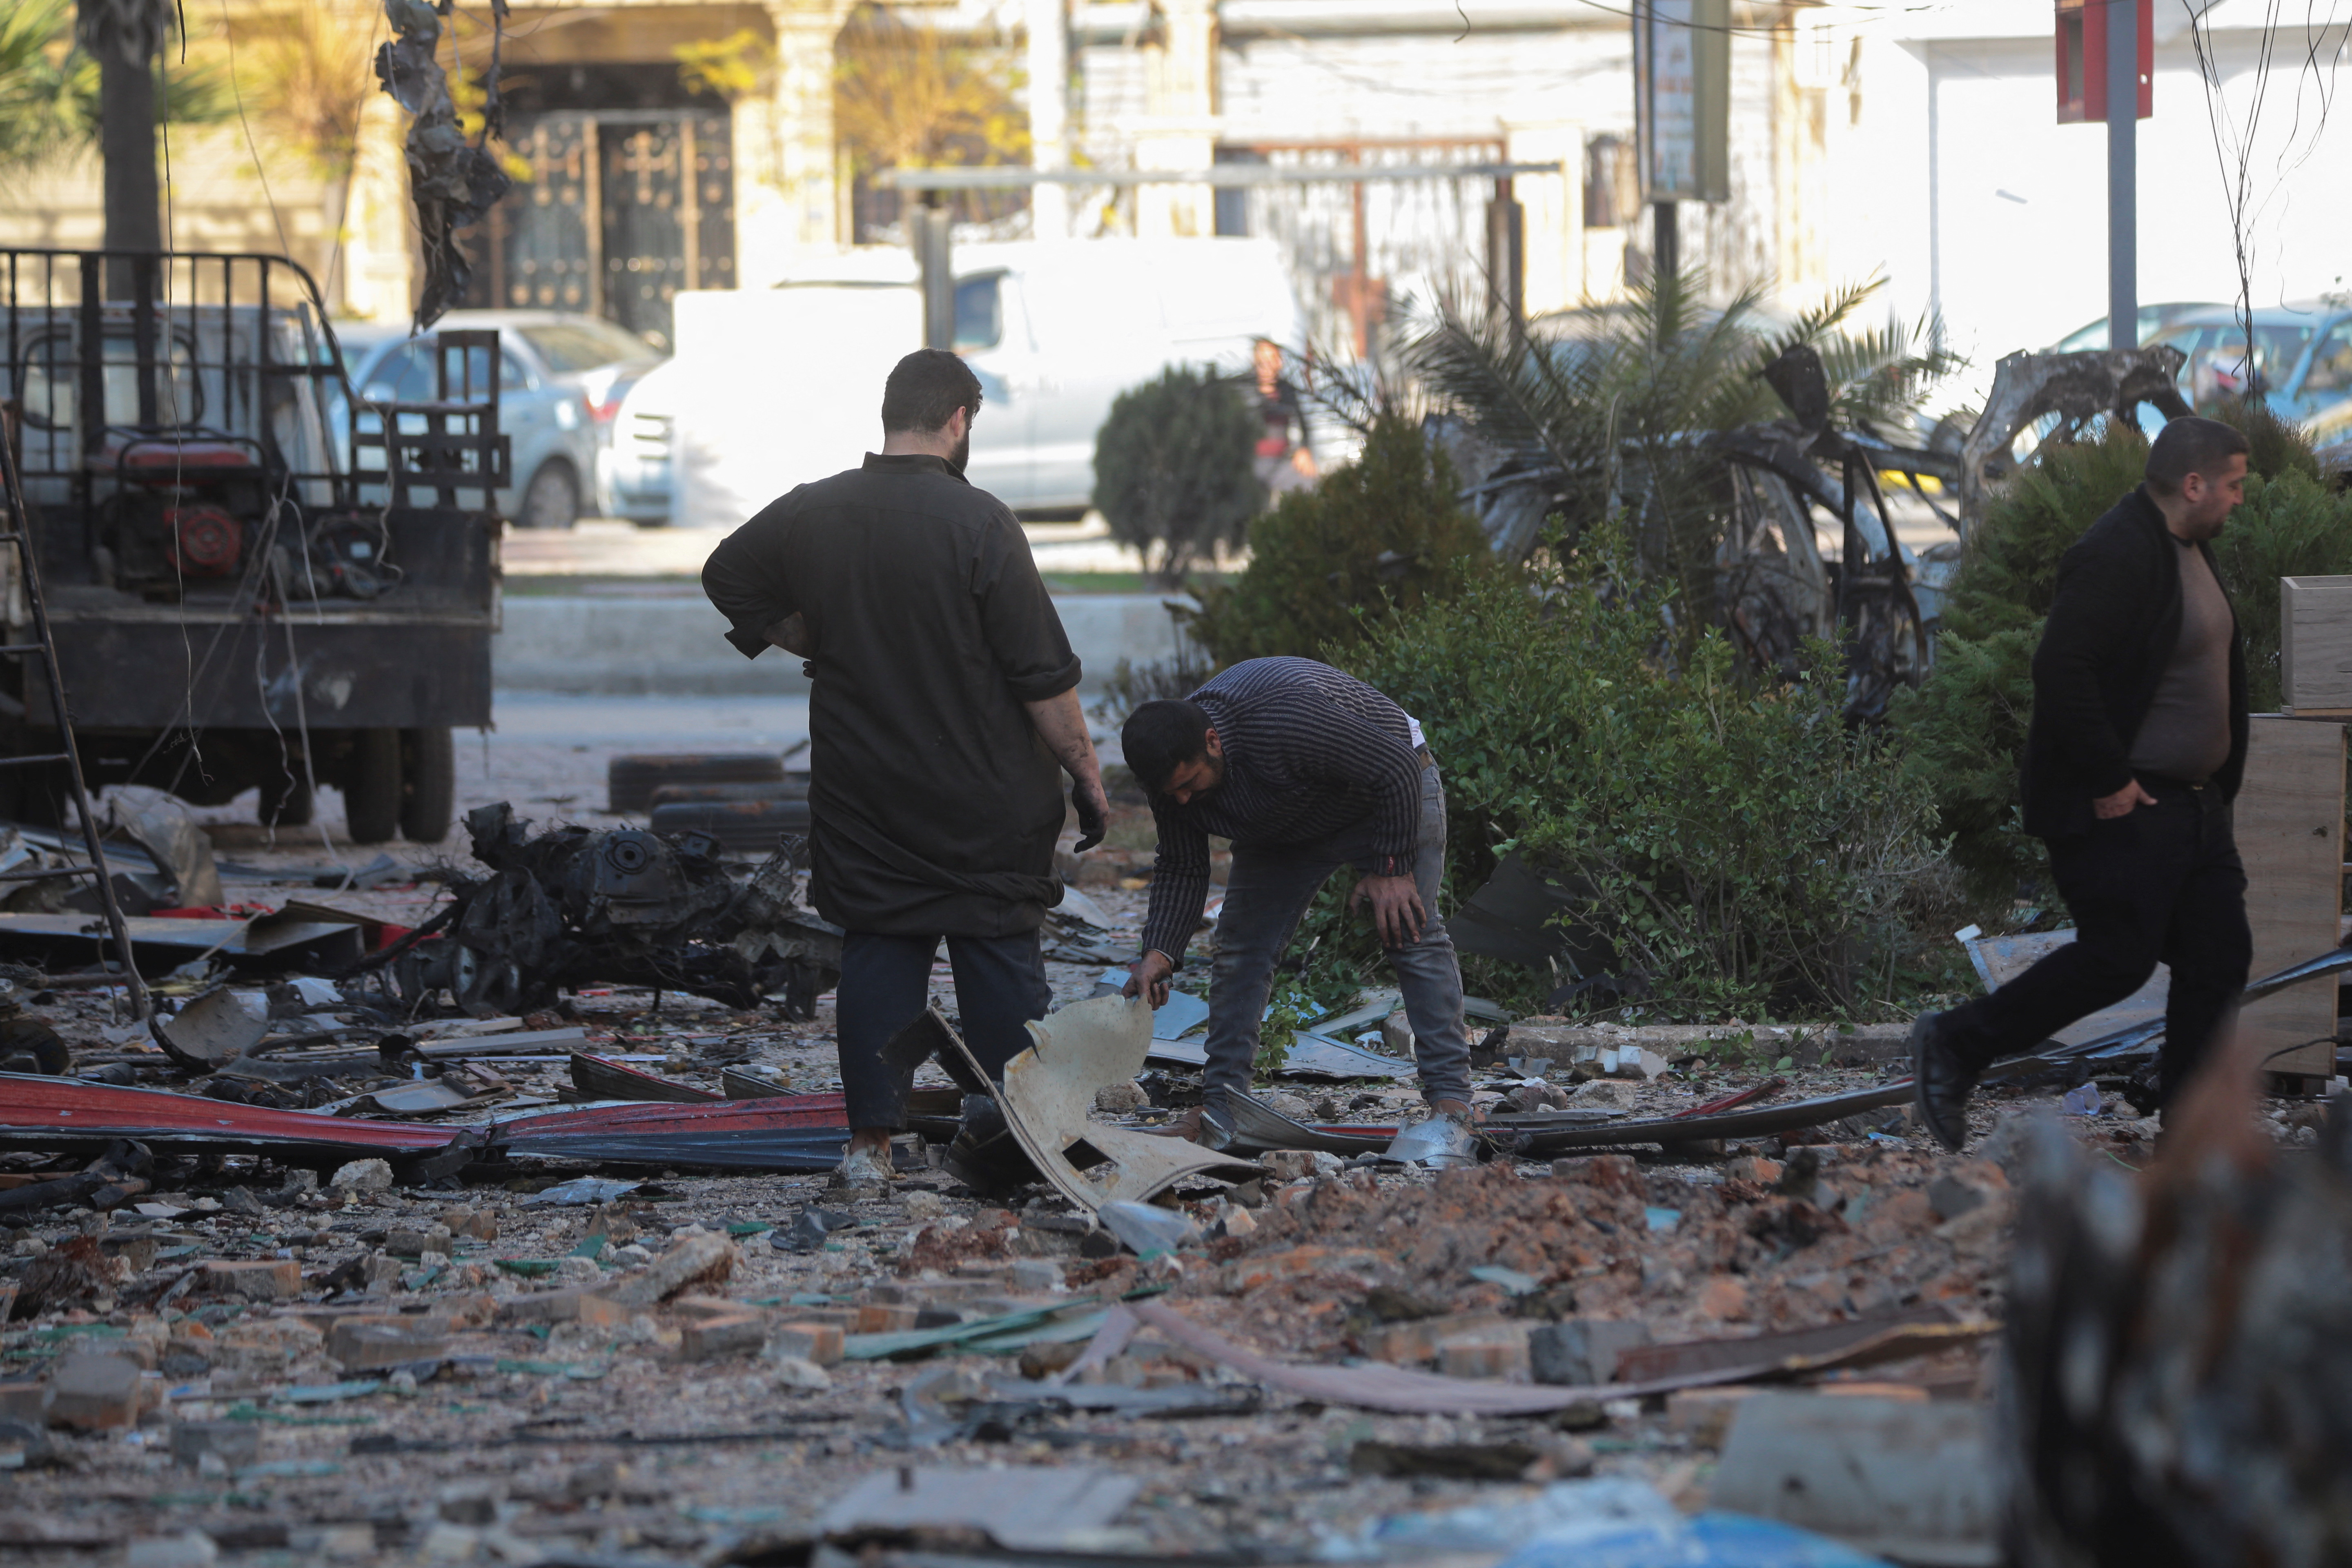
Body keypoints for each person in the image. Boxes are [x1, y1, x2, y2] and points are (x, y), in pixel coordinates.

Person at [702, 348, 1111, 1185]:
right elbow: (1044, 680)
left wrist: (805, 635)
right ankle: (1023, 1142)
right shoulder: (983, 524)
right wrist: (1087, 775)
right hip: (983, 801)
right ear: (959, 421)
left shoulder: (815, 512)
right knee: (997, 957)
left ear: (890, 414)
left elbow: (725, 573)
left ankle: (869, 1149)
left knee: (881, 955)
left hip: (867, 796)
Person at [1910, 415, 2253, 1151]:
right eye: (2234, 485)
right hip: (2129, 806)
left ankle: (2190, 1144)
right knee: (2117, 958)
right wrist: (2111, 778)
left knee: (2219, 957)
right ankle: (1955, 1043)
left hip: (2193, 810)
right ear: (2193, 485)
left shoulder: (2186, 546)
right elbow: (2061, 668)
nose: (2240, 500)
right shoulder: (2117, 552)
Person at [1120, 656, 1475, 1165]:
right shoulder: (1171, 782)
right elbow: (1181, 865)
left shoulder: (1284, 718)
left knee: (1409, 933)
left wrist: (1390, 867)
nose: (1181, 800)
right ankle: (1224, 1108)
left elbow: (1394, 767)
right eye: (1168, 793)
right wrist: (1159, 950)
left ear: (1213, 743)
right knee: (1241, 951)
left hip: (1385, 794)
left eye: (1189, 783)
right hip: (1281, 820)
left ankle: (1453, 1106)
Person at [1250, 339, 1318, 498]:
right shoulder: (1246, 389)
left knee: (1311, 485)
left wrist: (1304, 450)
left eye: (1272, 361)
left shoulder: (1285, 390)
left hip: (1282, 461)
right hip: (1253, 463)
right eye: (1262, 362)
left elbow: (1303, 423)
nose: (1267, 366)